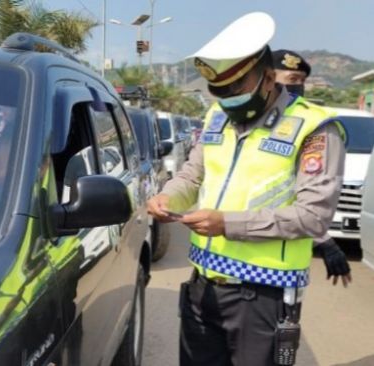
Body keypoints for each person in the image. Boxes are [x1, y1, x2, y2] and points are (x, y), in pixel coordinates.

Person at [147, 12, 346, 366]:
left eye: (236, 90)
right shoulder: (217, 117)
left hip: (263, 295)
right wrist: (168, 197)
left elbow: (313, 217)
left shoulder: (315, 128)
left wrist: (227, 224)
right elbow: (193, 175)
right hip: (202, 286)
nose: (227, 101)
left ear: (268, 78)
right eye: (219, 93)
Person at [273, 49, 352, 287]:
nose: (297, 87)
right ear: (267, 78)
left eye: (301, 82)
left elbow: (306, 196)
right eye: (291, 80)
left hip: (282, 262)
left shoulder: (311, 125)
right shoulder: (251, 123)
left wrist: (323, 240)